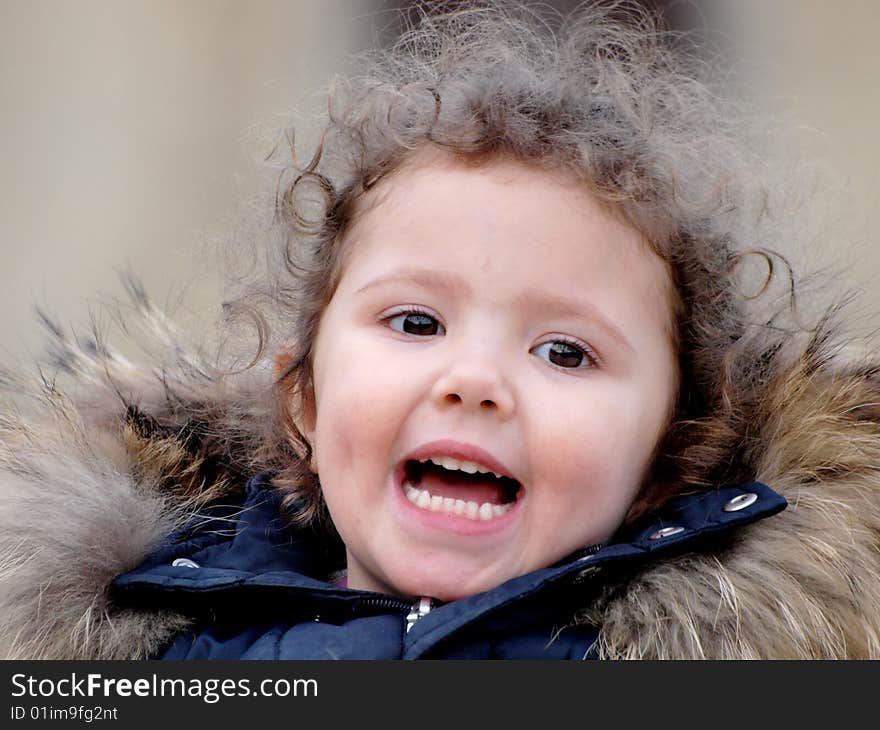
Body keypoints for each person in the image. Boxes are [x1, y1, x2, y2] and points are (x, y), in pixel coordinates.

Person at [2, 0, 880, 660]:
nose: (475, 379)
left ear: (664, 461)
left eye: (565, 351)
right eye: (416, 321)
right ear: (303, 397)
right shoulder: (148, 649)